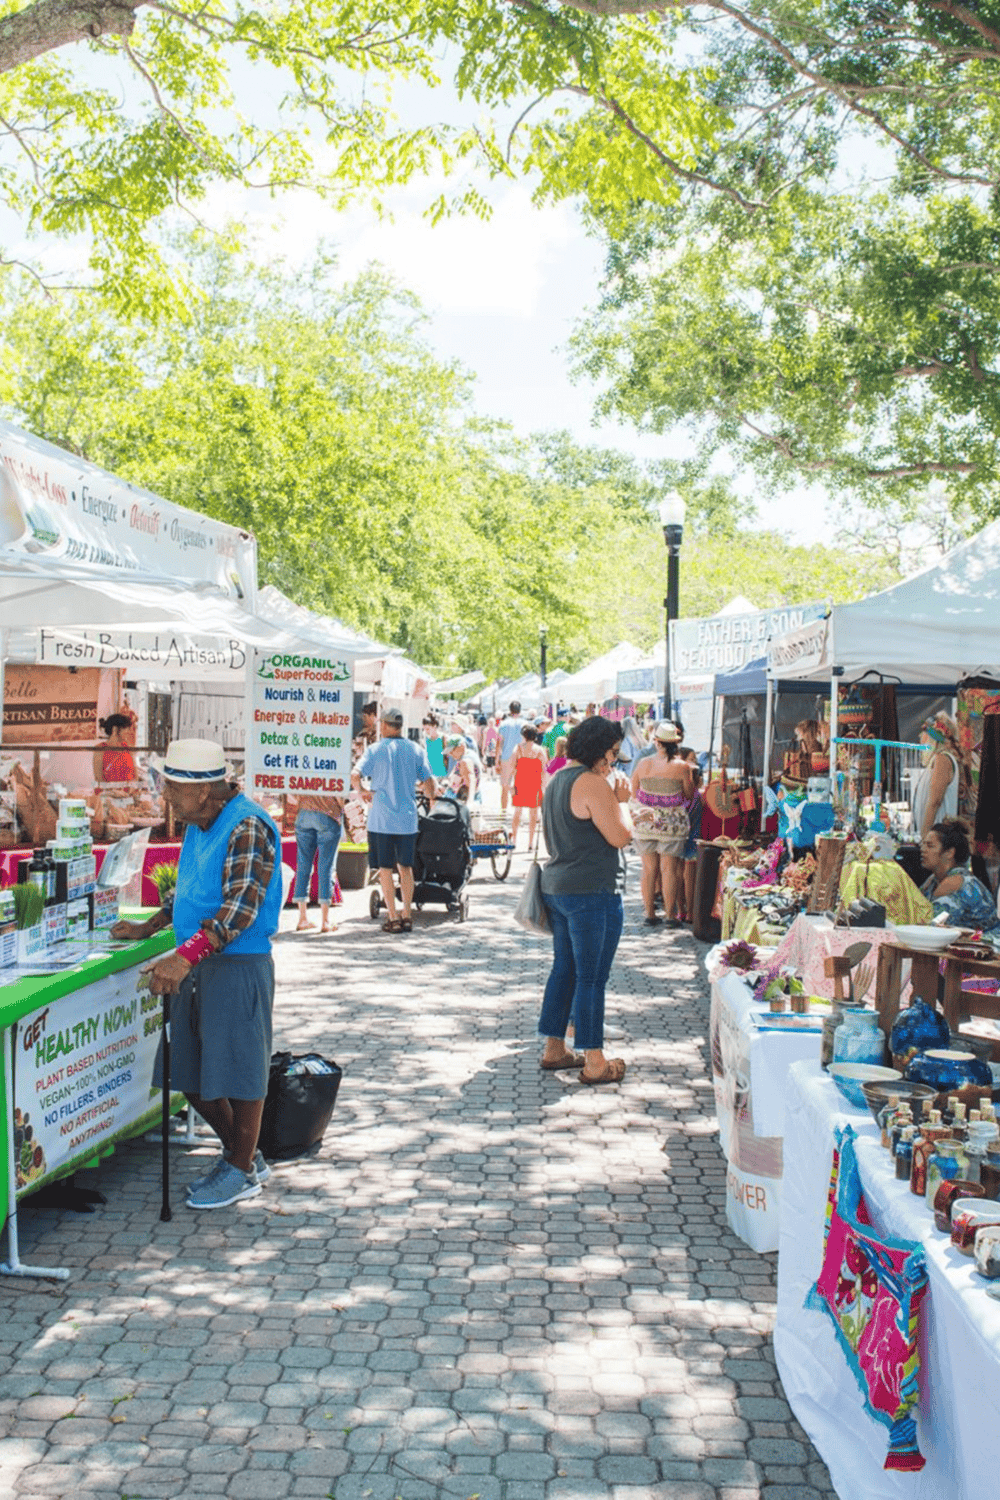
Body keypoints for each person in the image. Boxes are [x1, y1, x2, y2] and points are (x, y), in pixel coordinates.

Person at [110, 739, 283, 1210]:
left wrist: (185, 956)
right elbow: (191, 892)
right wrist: (152, 924)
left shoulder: (247, 824)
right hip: (198, 957)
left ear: (204, 791)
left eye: (171, 788)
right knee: (186, 1069)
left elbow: (239, 907)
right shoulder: (198, 822)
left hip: (236, 963)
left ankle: (241, 1168)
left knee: (241, 1073)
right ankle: (242, 1156)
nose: (165, 795)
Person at [538, 716, 632, 1085]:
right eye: (611, 754)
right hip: (591, 891)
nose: (613, 762)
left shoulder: (557, 778)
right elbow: (620, 837)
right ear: (597, 750)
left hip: (559, 887)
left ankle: (554, 1046)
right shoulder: (592, 783)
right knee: (592, 977)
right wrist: (621, 800)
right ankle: (594, 1059)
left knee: (565, 969)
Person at [353, 706, 436, 933]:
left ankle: (392, 917)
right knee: (406, 868)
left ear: (386, 725)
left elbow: (354, 774)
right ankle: (407, 914)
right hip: (407, 820)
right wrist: (431, 798)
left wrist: (361, 791)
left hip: (381, 819)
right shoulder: (415, 749)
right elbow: (430, 782)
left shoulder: (375, 749)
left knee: (385, 869)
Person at [629, 721, 693, 928]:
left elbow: (634, 791)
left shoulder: (643, 764)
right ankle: (670, 915)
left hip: (646, 821)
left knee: (648, 869)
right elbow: (689, 794)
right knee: (669, 870)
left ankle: (649, 914)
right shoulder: (682, 767)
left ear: (656, 742)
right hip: (672, 824)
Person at [920, 819, 1000, 931]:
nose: (923, 850)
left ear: (949, 852)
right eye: (923, 844)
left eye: (930, 846)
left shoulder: (955, 881)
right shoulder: (933, 880)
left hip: (987, 944)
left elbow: (930, 924)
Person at [293, 790, 343, 933]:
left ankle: (302, 918)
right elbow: (339, 794)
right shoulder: (333, 767)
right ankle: (325, 921)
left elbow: (291, 793)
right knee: (326, 867)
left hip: (303, 813)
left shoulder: (301, 767)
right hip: (327, 814)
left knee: (303, 865)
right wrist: (341, 809)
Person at [913, 712, 965, 837]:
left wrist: (925, 838)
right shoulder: (937, 759)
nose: (920, 737)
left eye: (924, 733)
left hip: (938, 840)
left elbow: (934, 802)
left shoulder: (943, 759)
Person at [510, 725, 547, 848]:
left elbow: (512, 766)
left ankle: (514, 839)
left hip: (520, 781)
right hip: (535, 782)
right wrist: (543, 785)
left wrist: (511, 783)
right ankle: (530, 842)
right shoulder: (539, 750)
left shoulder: (518, 748)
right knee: (533, 814)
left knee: (517, 812)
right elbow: (544, 768)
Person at [496, 701, 526, 814]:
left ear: (510, 710)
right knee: (520, 786)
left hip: (506, 757)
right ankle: (518, 812)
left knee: (504, 786)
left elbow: (499, 743)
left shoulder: (503, 724)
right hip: (521, 757)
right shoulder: (524, 724)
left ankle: (503, 812)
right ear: (520, 710)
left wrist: (496, 760)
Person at [93, 712, 137, 784]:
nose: (129, 732)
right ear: (115, 729)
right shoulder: (100, 749)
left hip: (128, 793)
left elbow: (135, 777)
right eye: (126, 729)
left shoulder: (128, 748)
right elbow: (99, 781)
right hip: (109, 793)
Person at [422, 714, 448, 779]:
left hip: (442, 775)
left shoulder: (443, 738)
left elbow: (448, 758)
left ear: (434, 726)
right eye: (424, 729)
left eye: (428, 729)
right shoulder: (426, 740)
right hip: (430, 776)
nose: (426, 731)